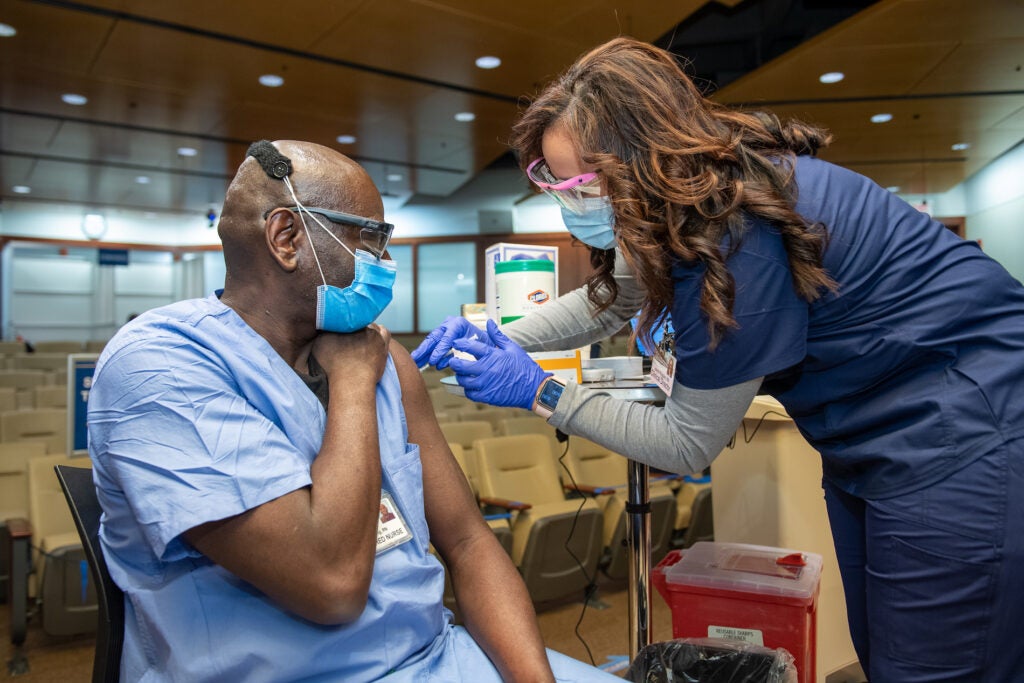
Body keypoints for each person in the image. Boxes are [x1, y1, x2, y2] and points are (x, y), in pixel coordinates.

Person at [413, 38, 1024, 682]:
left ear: (640, 160)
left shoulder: (733, 234)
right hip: (873, 440)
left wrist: (540, 391)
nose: (571, 203)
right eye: (557, 184)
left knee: (938, 667)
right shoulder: (672, 200)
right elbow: (613, 297)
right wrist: (500, 333)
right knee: (884, 649)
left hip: (965, 431)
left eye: (584, 184)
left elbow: (685, 445)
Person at [87, 140, 620, 683]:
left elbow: (467, 541)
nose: (384, 264)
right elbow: (331, 584)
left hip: (434, 658)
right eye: (370, 240)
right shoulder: (160, 367)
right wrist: (351, 382)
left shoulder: (383, 357)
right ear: (287, 237)